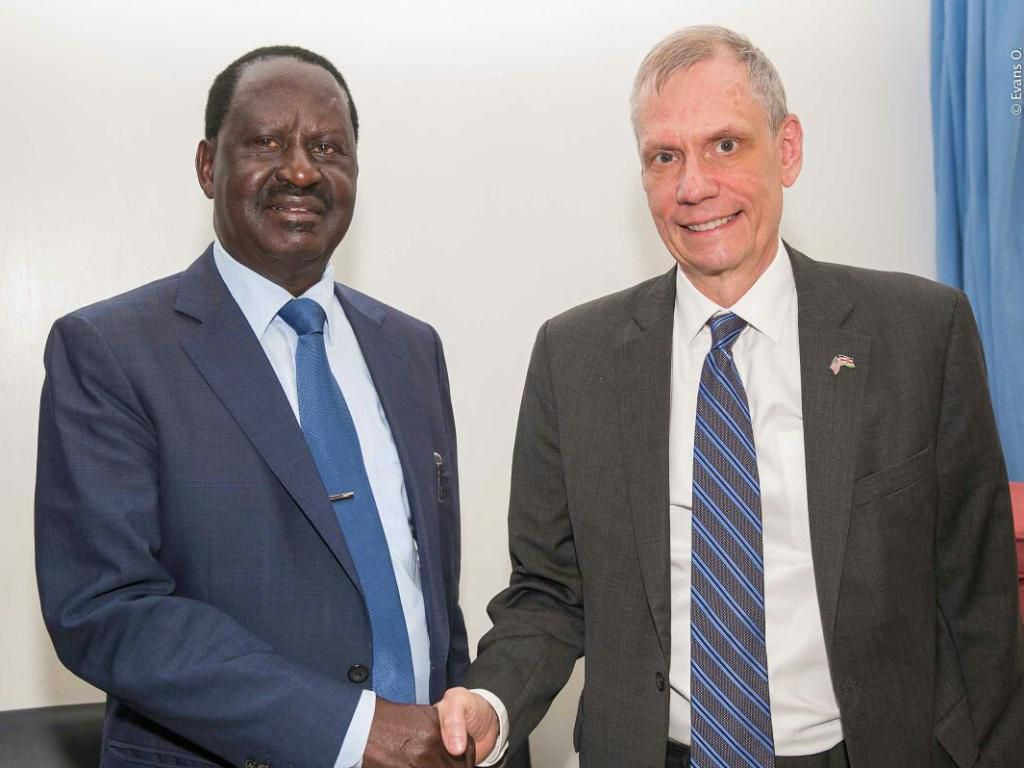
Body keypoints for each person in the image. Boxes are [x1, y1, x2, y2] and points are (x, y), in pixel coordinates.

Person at [436, 25, 1024, 768]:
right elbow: (548, 593)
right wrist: (490, 702)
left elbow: (980, 602)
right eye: (664, 157)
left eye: (725, 145)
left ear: (787, 150)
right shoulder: (573, 357)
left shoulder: (920, 335)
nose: (693, 186)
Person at [36, 46, 488, 768]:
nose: (302, 169)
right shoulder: (110, 351)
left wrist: (460, 713)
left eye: (328, 147)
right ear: (208, 165)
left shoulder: (410, 349)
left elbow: (424, 584)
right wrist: (351, 731)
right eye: (267, 143)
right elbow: (106, 609)